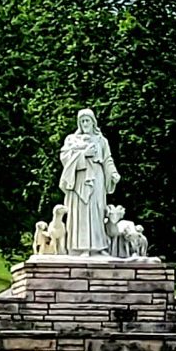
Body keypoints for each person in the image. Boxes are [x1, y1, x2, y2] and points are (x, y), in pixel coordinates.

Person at [58, 108, 120, 256]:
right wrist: (83, 155)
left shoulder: (101, 140)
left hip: (97, 177)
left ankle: (99, 247)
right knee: (80, 213)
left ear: (93, 122)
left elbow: (107, 159)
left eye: (88, 120)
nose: (85, 123)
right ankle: (81, 247)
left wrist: (113, 173)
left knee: (97, 211)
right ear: (79, 123)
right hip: (79, 177)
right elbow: (64, 157)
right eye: (82, 121)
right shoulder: (72, 140)